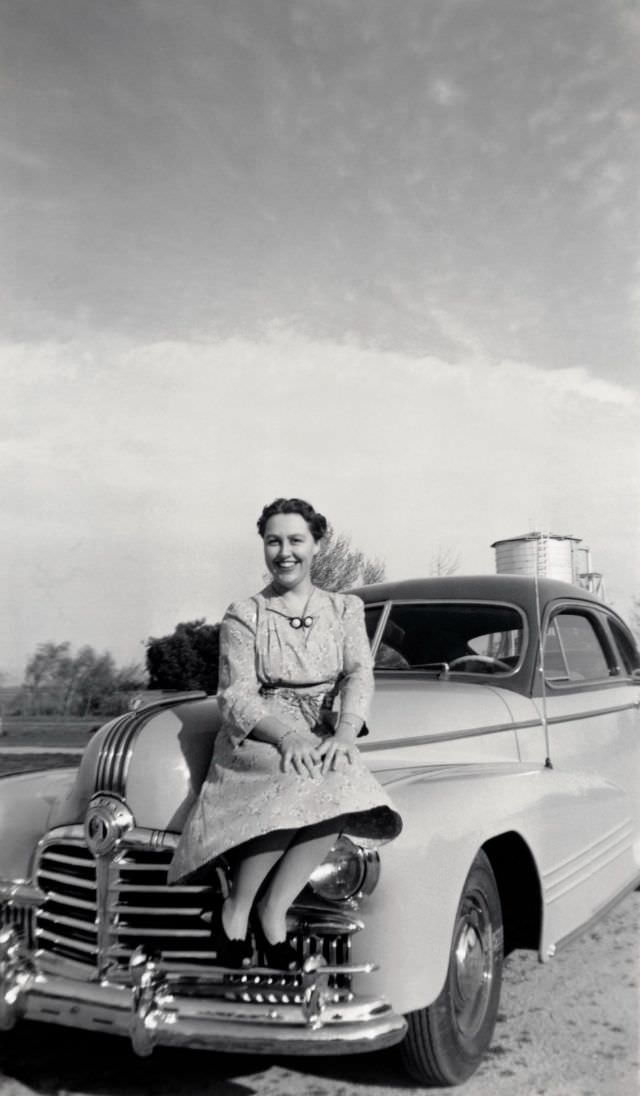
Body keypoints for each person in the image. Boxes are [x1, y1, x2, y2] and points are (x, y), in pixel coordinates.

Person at [168, 496, 402, 970]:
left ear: (317, 544)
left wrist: (346, 735)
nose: (284, 552)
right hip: (257, 733)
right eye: (273, 541)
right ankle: (235, 910)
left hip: (320, 727)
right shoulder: (244, 613)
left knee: (343, 779)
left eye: (296, 540)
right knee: (299, 772)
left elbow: (360, 673)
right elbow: (235, 695)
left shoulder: (345, 609)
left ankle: (272, 911)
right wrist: (284, 737)